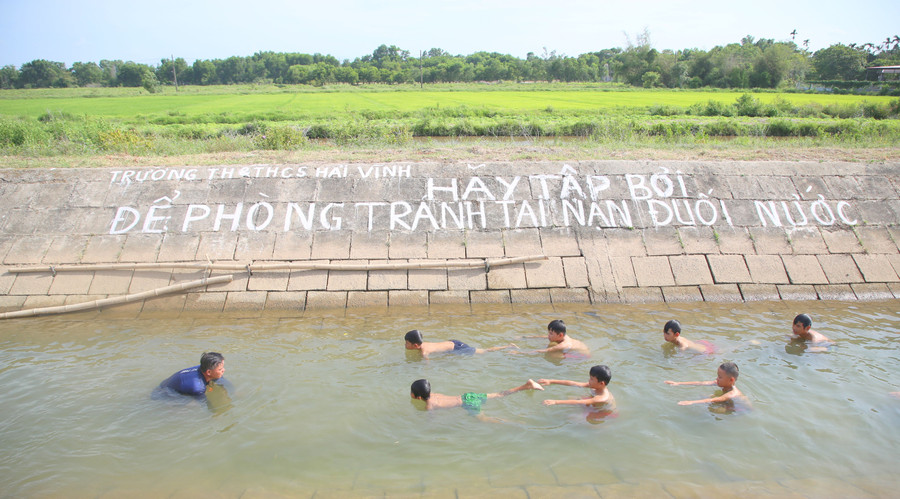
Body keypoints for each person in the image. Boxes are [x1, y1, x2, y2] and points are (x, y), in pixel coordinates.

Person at [409, 378, 543, 417]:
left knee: (485, 420)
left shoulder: (428, 405)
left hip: (468, 404)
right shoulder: (434, 394)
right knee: (499, 395)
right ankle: (526, 386)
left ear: (418, 397)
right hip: (467, 396)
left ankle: (513, 423)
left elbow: (431, 419)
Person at [538, 365, 616, 415]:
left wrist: (556, 402)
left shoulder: (601, 398)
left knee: (573, 417)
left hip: (603, 412)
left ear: (601, 383)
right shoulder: (595, 386)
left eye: (591, 379)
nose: (589, 381)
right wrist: (551, 381)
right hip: (593, 403)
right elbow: (574, 383)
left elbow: (580, 402)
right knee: (569, 398)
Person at [665, 362, 748, 407]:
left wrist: (691, 402)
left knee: (714, 407)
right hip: (728, 402)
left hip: (739, 408)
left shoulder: (733, 393)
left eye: (720, 377)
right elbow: (701, 383)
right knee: (704, 396)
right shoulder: (721, 383)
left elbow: (714, 400)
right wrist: (678, 383)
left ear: (731, 380)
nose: (716, 379)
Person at [404, 329, 515, 359]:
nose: (405, 345)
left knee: (484, 351)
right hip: (453, 342)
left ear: (415, 345)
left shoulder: (424, 351)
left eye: (407, 343)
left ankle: (508, 346)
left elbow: (427, 365)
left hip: (457, 348)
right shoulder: (424, 344)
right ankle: (507, 346)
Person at [156, 352, 226, 397]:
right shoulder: (198, 388)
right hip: (165, 394)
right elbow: (204, 404)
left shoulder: (205, 367)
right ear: (208, 372)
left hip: (167, 384)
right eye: (220, 369)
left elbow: (222, 380)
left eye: (222, 368)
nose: (223, 370)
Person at [514, 320, 590, 357]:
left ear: (560, 335)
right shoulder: (563, 336)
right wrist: (525, 337)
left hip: (581, 356)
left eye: (551, 333)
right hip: (580, 350)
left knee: (552, 355)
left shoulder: (564, 345)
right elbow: (543, 337)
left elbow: (544, 351)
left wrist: (519, 353)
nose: (548, 335)